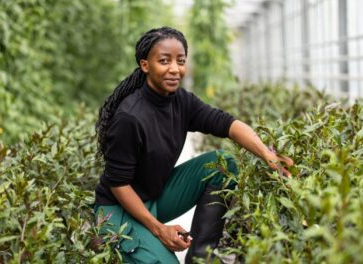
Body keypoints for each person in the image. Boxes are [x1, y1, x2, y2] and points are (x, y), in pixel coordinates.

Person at [94, 26, 293, 264]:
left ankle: (200, 258)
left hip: (155, 197)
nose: (174, 69)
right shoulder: (130, 117)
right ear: (145, 65)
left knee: (223, 165)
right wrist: (160, 230)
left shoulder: (182, 101)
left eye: (180, 61)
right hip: (118, 210)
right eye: (164, 61)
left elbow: (227, 124)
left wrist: (267, 155)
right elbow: (119, 185)